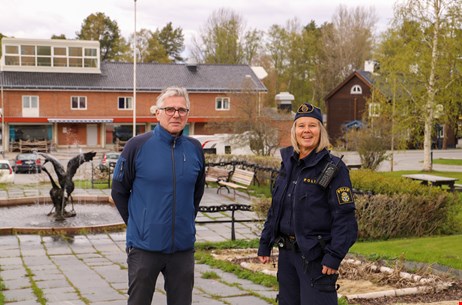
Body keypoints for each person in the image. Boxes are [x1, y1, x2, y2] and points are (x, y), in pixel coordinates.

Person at [111, 86, 206, 305]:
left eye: (182, 110)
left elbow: (196, 193)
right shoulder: (137, 145)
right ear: (157, 113)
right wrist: (139, 225)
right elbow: (119, 191)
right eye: (170, 109)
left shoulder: (194, 148)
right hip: (145, 248)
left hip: (182, 249)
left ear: (187, 115)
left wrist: (183, 223)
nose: (176, 114)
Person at [258, 103, 358, 305]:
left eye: (312, 125)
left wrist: (334, 256)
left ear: (320, 131)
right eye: (301, 126)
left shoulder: (333, 169)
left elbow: (345, 218)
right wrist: (265, 243)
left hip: (316, 258)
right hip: (287, 255)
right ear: (294, 131)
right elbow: (276, 208)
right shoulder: (288, 164)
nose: (306, 131)